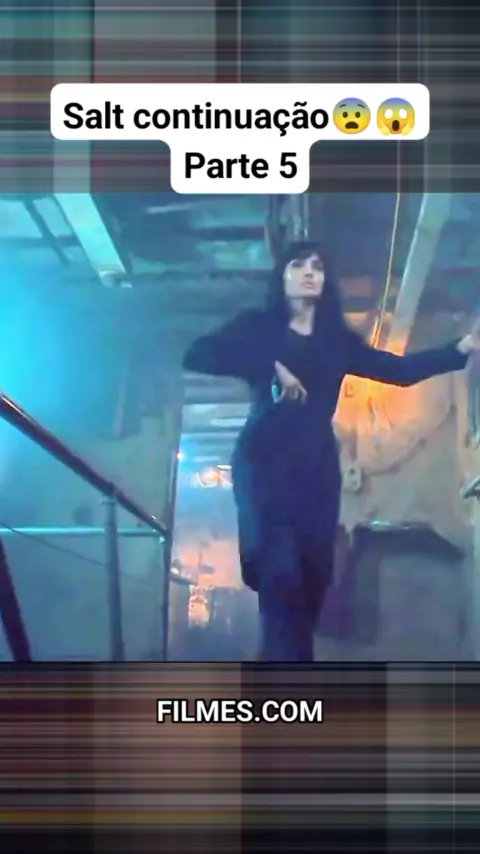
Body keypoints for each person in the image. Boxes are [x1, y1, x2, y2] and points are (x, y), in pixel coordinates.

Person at [183, 241, 480, 662]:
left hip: (317, 467)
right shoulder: (257, 327)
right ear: (283, 276)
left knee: (311, 582)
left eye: (318, 266)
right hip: (264, 461)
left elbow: (398, 371)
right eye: (298, 264)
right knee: (279, 574)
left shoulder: (337, 341)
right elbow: (197, 355)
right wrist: (271, 366)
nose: (309, 272)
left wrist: (460, 349)